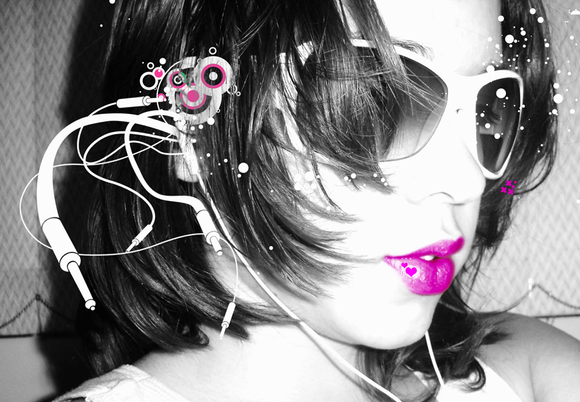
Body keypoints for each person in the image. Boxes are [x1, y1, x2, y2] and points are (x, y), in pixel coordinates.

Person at [53, 0, 580, 401]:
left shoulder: (533, 370)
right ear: (191, 129)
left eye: (490, 108)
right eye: (381, 102)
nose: (468, 181)